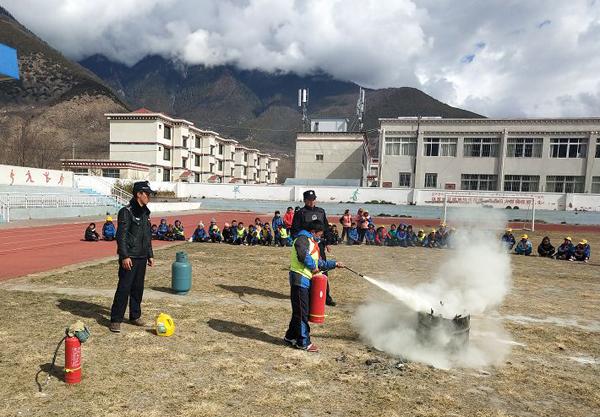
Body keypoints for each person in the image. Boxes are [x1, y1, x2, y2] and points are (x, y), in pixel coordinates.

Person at [284, 220, 344, 352]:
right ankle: (303, 342)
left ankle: (290, 336)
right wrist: (314, 268)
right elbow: (303, 256)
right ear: (313, 232)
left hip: (305, 280)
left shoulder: (311, 242)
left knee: (299, 311)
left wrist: (334, 264)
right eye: (319, 234)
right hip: (300, 280)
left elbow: (319, 263)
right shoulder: (302, 239)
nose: (320, 237)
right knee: (302, 312)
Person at [110, 181, 155, 333]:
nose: (149, 197)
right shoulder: (126, 212)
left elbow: (147, 235)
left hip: (142, 256)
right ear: (139, 194)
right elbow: (121, 236)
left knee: (138, 288)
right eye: (147, 194)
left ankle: (135, 315)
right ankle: (116, 319)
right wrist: (124, 256)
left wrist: (150, 254)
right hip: (130, 257)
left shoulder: (146, 213)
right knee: (124, 288)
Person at [291, 190, 337, 306]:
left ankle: (325, 296)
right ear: (305, 200)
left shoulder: (321, 211)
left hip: (319, 245)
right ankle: (309, 293)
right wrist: (301, 243)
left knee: (322, 269)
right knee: (308, 268)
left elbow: (325, 228)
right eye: (309, 200)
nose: (312, 202)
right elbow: (295, 231)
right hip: (307, 245)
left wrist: (327, 243)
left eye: (313, 199)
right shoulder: (300, 213)